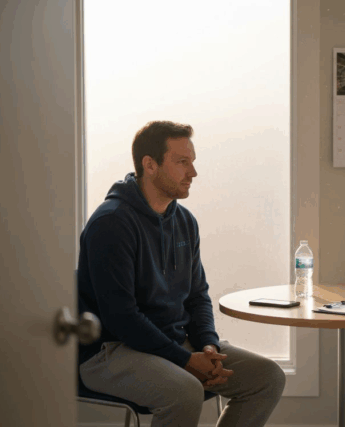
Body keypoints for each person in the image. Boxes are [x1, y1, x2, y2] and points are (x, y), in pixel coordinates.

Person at [77, 121, 286, 427]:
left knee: (267, 377)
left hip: (174, 343)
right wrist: (186, 360)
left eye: (193, 162)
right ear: (150, 165)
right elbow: (121, 318)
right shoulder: (110, 224)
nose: (193, 173)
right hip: (111, 351)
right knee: (185, 391)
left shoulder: (184, 221)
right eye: (182, 162)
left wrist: (208, 347)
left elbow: (197, 295)